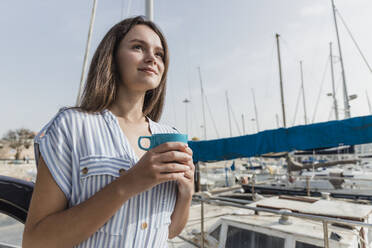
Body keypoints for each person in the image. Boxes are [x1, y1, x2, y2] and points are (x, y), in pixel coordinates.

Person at [22, 16, 195, 248]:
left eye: (159, 54)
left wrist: (186, 193)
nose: (152, 58)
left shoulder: (169, 133)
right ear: (111, 57)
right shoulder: (71, 126)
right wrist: (128, 183)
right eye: (138, 47)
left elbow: (170, 231)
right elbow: (36, 241)